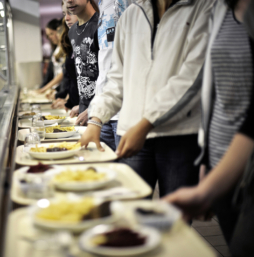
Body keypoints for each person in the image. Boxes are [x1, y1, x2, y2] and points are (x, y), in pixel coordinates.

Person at [80, 0, 213, 198]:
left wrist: (145, 124)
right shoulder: (132, 14)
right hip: (131, 130)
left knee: (175, 215)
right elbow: (117, 77)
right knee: (131, 208)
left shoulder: (203, 7)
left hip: (179, 134)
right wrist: (96, 119)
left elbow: (192, 77)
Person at [164, 0, 254, 246]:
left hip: (245, 167)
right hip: (219, 161)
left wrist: (208, 188)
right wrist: (206, 161)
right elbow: (212, 91)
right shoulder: (221, 9)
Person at [94, 0, 129, 151]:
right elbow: (105, 59)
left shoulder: (127, 3)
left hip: (123, 110)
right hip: (104, 108)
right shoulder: (102, 4)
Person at [66, 0, 100, 126]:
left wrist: (93, 108)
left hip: (102, 110)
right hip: (85, 112)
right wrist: (81, 106)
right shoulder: (72, 31)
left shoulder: (100, 24)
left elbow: (108, 72)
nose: (69, 1)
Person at [51, 3, 80, 111]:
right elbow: (73, 81)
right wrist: (68, 100)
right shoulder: (72, 45)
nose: (67, 18)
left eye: (71, 13)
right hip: (77, 107)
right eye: (64, 14)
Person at [40, 19, 63, 90]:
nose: (50, 37)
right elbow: (51, 73)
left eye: (51, 33)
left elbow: (62, 74)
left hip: (60, 89)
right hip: (57, 89)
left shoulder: (64, 49)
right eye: (48, 35)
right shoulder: (55, 49)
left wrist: (43, 89)